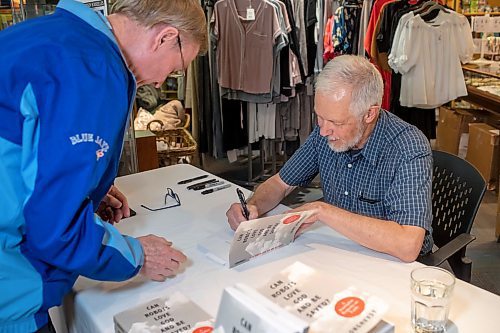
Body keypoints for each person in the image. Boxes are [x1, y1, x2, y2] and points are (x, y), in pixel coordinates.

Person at [0, 0, 206, 331]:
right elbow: (54, 228)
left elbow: (29, 154)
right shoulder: (93, 71)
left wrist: (86, 185)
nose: (161, 80)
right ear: (165, 37)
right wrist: (138, 256)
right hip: (8, 287)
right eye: (176, 66)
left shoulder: (46, 35)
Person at [226, 55, 433, 263]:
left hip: (393, 266)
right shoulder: (325, 132)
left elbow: (408, 245)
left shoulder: (408, 146)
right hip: (341, 249)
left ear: (369, 114)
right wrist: (254, 206)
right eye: (319, 117)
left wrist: (322, 211)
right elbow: (281, 183)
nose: (323, 131)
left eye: (336, 122)